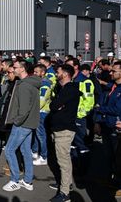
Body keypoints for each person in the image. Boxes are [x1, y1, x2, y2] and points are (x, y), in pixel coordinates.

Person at [94, 61, 121, 198]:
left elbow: (119, 108)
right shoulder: (113, 87)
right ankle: (115, 181)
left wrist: (99, 109)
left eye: (113, 71)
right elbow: (103, 102)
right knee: (110, 156)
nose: (110, 73)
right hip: (107, 125)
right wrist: (98, 120)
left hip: (119, 129)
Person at [2, 60, 40, 192]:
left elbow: (24, 110)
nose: (13, 69)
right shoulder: (31, 83)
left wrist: (17, 121)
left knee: (9, 150)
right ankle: (27, 181)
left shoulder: (24, 86)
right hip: (29, 123)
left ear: (23, 69)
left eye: (16, 67)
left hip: (22, 124)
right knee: (25, 152)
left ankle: (15, 180)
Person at [48, 64, 81, 202]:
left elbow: (54, 105)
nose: (56, 74)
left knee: (63, 161)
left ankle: (65, 193)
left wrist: (57, 105)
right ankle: (65, 183)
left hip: (64, 130)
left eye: (58, 72)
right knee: (60, 159)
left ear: (66, 74)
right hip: (59, 129)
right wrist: (57, 105)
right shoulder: (63, 89)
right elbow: (55, 105)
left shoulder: (69, 89)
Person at [32, 64, 52, 166]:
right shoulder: (40, 83)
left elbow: (41, 101)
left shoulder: (44, 85)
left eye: (36, 72)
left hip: (42, 113)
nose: (34, 74)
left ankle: (44, 157)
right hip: (39, 112)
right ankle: (35, 152)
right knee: (37, 134)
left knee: (41, 135)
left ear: (42, 73)